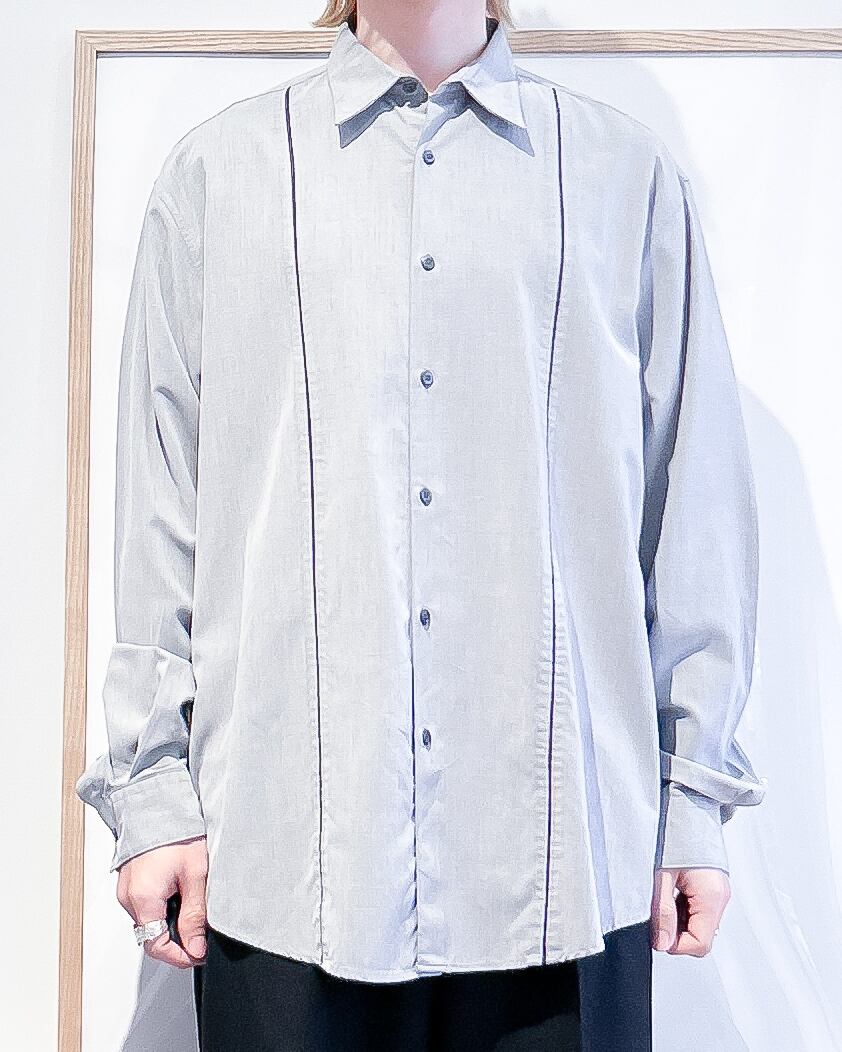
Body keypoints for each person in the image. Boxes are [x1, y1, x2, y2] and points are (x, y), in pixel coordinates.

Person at [77, 1, 768, 1048]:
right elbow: (161, 505)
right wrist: (153, 788)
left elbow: (693, 498)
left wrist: (693, 793)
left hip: (567, 860)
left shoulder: (623, 177)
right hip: (281, 861)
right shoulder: (220, 176)